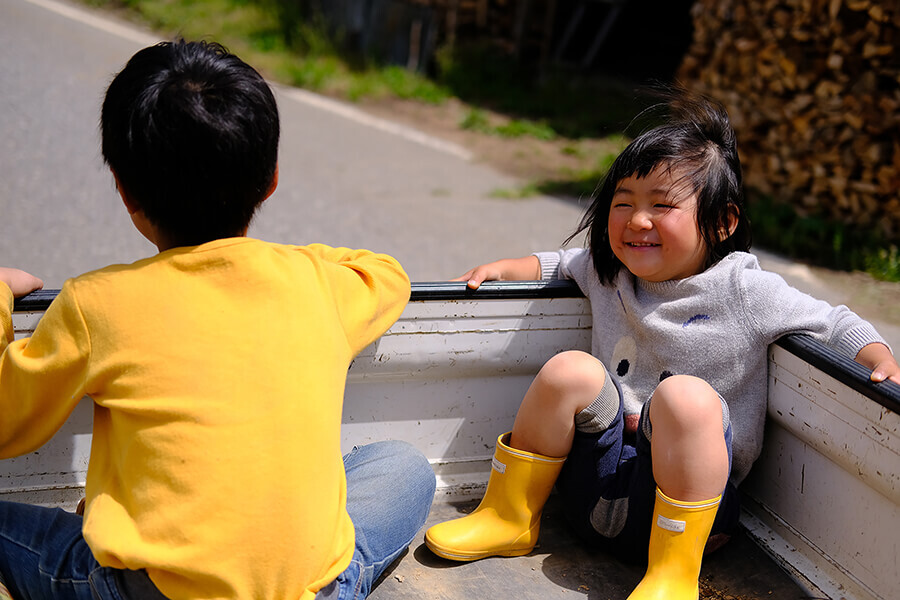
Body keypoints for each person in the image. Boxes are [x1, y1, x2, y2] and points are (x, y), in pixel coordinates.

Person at [0, 40, 435, 600]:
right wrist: (294, 261)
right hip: (310, 590)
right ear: (271, 179)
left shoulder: (96, 303)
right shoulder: (320, 284)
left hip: (150, 593)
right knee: (404, 467)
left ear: (124, 189)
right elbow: (387, 272)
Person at [424, 90, 900, 599]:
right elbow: (554, 264)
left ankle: (673, 578)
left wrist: (878, 357)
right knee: (570, 370)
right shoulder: (610, 271)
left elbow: (833, 321)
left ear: (723, 222)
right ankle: (509, 515)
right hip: (594, 492)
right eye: (622, 202)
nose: (637, 220)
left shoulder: (744, 288)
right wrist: (502, 270)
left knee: (684, 398)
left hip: (688, 516)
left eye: (662, 205)